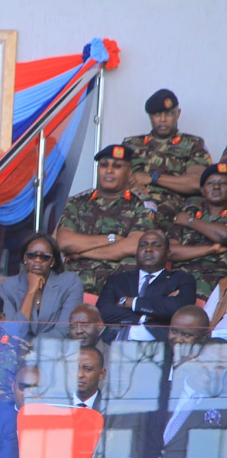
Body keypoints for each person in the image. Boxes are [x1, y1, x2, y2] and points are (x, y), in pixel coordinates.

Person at [57, 144, 158, 295]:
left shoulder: (142, 203)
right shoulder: (78, 202)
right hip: (76, 277)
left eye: (117, 166)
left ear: (129, 172)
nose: (109, 170)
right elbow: (64, 241)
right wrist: (112, 239)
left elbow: (133, 246)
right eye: (104, 165)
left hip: (117, 281)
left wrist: (82, 252)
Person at [122, 89, 211, 230]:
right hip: (132, 203)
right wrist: (131, 186)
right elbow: (113, 176)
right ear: (150, 116)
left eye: (169, 114)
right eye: (157, 114)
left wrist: (153, 178)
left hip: (172, 209)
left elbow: (197, 183)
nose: (163, 119)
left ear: (178, 114)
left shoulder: (192, 144)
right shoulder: (131, 144)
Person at [97, 230, 196, 342]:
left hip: (158, 347)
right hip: (114, 345)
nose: (148, 249)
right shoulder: (117, 280)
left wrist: (132, 302)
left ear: (167, 253)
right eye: (143, 245)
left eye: (156, 245)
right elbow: (103, 312)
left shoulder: (181, 279)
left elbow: (178, 308)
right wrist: (145, 316)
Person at [139, 338, 227, 458]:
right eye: (208, 360)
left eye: (220, 367)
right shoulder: (157, 390)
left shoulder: (222, 409)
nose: (210, 369)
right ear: (194, 358)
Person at [0, 233, 83, 340]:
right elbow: (14, 332)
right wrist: (31, 291)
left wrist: (34, 346)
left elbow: (64, 330)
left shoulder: (70, 282)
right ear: (25, 258)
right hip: (18, 351)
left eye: (44, 257)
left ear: (52, 261)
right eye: (31, 255)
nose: (37, 260)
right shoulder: (8, 286)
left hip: (56, 350)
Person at [167, 163, 227, 300]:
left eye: (223, 183)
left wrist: (190, 222)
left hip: (218, 278)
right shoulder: (188, 213)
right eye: (211, 183)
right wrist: (210, 249)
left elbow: (224, 236)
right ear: (202, 190)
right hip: (180, 276)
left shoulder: (186, 218)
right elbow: (170, 251)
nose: (216, 187)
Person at [75, 346, 106, 412]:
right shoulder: (55, 405)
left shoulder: (111, 409)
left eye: (88, 369)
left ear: (101, 374)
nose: (80, 375)